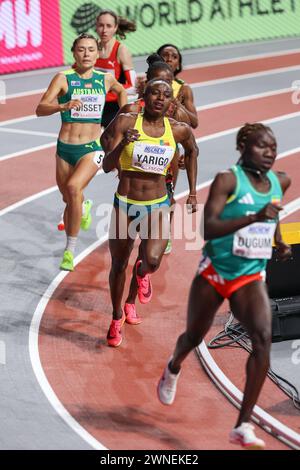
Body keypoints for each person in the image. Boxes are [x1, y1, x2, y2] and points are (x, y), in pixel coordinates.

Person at [157, 123, 292, 450]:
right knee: (195, 336)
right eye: (262, 147)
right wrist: (254, 217)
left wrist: (279, 241)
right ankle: (174, 366)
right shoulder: (228, 180)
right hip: (216, 272)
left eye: (273, 148)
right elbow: (210, 227)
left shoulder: (280, 181)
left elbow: (270, 217)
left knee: (262, 339)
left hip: (250, 276)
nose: (269, 153)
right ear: (243, 146)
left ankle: (243, 425)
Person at [101, 78, 198, 347]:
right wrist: (121, 145)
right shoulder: (126, 122)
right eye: (154, 92)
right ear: (145, 95)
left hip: (156, 204)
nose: (160, 97)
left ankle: (143, 274)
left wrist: (192, 191)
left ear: (170, 102)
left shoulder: (178, 130)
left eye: (165, 95)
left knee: (152, 260)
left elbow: (192, 153)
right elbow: (107, 165)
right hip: (125, 203)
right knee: (119, 265)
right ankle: (116, 316)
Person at [36, 33, 127, 272]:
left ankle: (69, 250)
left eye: (91, 49)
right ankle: (83, 205)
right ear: (74, 53)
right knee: (69, 198)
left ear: (98, 53)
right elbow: (40, 108)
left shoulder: (105, 78)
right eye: (81, 50)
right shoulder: (63, 78)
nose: (86, 54)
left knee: (74, 188)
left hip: (91, 147)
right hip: (65, 148)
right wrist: (61, 105)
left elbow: (122, 91)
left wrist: (124, 116)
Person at [95, 10, 137, 128]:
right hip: (94, 106)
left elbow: (133, 86)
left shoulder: (121, 50)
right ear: (96, 27)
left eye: (108, 26)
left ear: (115, 28)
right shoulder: (91, 48)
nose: (104, 30)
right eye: (101, 25)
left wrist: (107, 89)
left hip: (114, 108)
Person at [157, 44, 198, 129]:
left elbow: (194, 123)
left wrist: (178, 105)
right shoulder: (146, 84)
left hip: (171, 136)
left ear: (178, 64)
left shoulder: (183, 89)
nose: (169, 59)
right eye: (165, 55)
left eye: (174, 57)